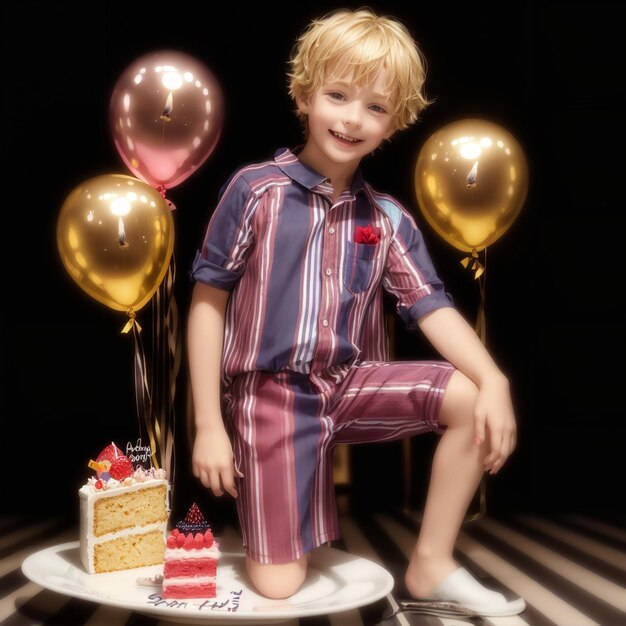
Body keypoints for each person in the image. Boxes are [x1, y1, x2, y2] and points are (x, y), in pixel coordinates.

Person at [187, 7, 525, 617]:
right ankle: (285, 512)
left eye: (375, 106)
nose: (352, 118)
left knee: (474, 397)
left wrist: (495, 378)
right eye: (338, 95)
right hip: (270, 395)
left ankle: (432, 564)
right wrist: (209, 422)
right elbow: (208, 302)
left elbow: (430, 307)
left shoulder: (388, 217)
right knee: (280, 586)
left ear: (395, 122)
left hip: (347, 384)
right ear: (303, 93)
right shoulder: (255, 190)